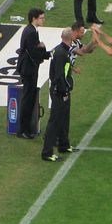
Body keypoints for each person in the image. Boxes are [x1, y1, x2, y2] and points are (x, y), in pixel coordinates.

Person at [40, 29, 74, 162]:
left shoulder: (60, 50)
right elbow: (59, 75)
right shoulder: (61, 53)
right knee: (54, 121)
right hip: (59, 91)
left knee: (64, 118)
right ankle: (47, 152)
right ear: (71, 37)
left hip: (61, 89)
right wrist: (64, 91)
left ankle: (64, 145)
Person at [15, 8, 49, 139]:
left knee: (29, 98)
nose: (43, 20)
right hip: (28, 69)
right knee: (27, 99)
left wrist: (42, 49)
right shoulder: (31, 32)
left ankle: (25, 128)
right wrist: (45, 51)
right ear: (34, 18)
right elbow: (34, 52)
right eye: (41, 18)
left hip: (29, 68)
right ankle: (23, 130)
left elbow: (34, 49)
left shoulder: (31, 30)